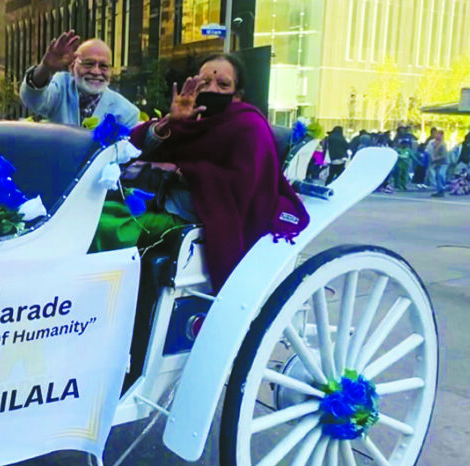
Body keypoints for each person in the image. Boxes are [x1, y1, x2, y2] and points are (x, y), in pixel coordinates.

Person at [91, 53, 308, 292]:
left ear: (237, 95)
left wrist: (181, 172)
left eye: (223, 84)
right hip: (156, 203)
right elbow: (135, 149)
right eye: (204, 83)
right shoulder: (191, 119)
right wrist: (171, 121)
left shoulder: (249, 126)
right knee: (91, 214)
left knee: (104, 227)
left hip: (200, 218)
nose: (212, 89)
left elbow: (243, 186)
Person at [20, 30, 139, 129]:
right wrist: (46, 68)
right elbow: (33, 100)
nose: (96, 72)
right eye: (88, 64)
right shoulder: (61, 87)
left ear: (111, 71)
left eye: (103, 66)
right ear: (72, 67)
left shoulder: (127, 113)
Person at [426, 129, 448, 197]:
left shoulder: (443, 144)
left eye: (440, 135)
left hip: (443, 163)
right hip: (437, 163)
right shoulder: (433, 143)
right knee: (437, 176)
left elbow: (444, 155)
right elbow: (430, 152)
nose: (438, 136)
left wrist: (435, 159)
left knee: (441, 175)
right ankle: (439, 190)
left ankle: (441, 189)